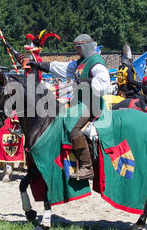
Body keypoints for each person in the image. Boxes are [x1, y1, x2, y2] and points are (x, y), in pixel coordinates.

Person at [25, 34, 110, 180]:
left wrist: (85, 81)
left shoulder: (96, 63)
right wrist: (37, 64)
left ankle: (86, 167)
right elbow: (61, 68)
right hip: (79, 105)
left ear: (85, 47)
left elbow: (103, 84)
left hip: (91, 105)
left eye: (78, 48)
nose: (77, 51)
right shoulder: (81, 62)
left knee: (74, 129)